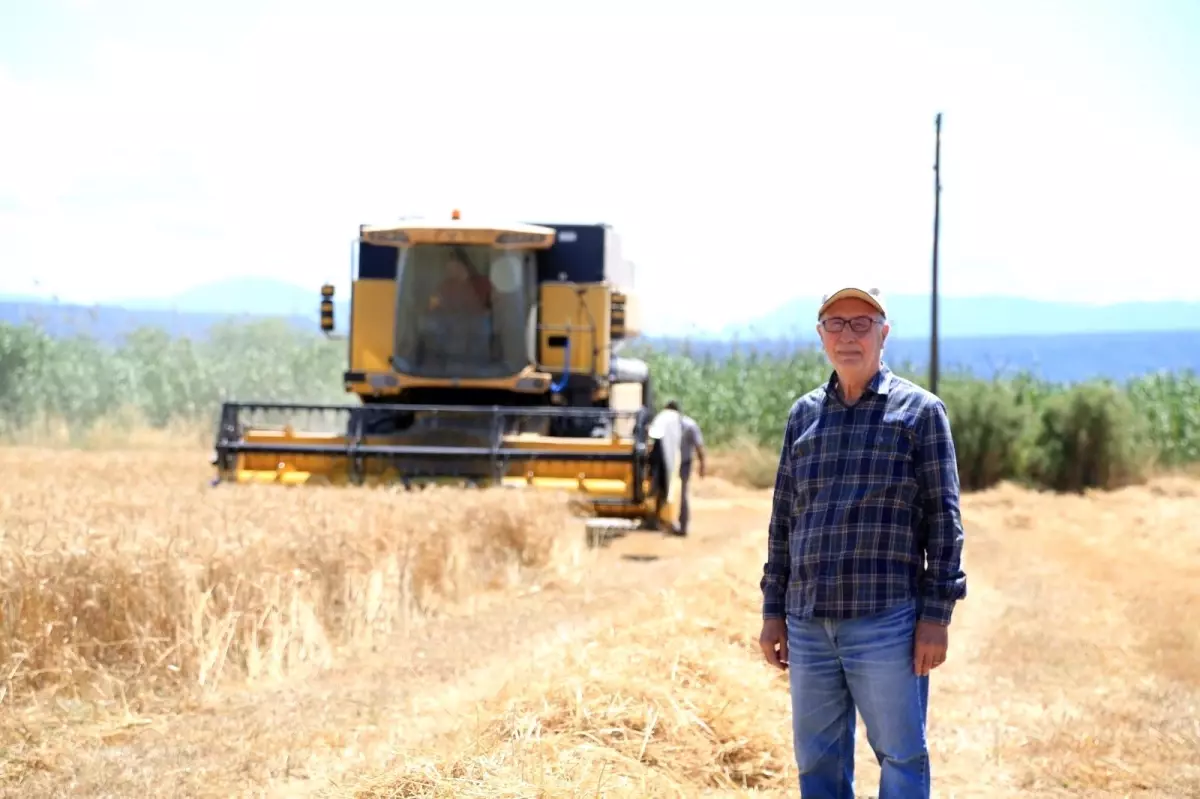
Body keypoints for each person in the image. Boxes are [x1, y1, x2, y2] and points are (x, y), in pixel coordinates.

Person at [757, 284, 967, 798]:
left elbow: (945, 521)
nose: (848, 335)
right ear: (821, 335)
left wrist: (936, 616)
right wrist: (772, 610)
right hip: (808, 624)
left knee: (900, 756)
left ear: (884, 333)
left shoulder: (920, 413)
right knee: (818, 765)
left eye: (861, 323)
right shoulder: (803, 416)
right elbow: (784, 519)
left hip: (887, 620)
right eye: (836, 323)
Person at [665, 400, 706, 535]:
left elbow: (699, 447)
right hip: (667, 464)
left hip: (683, 464)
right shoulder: (665, 426)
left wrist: (702, 466)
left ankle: (682, 527)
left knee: (682, 495)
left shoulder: (689, 425)